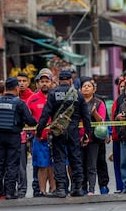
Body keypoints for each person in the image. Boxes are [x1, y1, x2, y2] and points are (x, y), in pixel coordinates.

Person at [36, 70, 92, 198]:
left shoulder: (53, 94)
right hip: (73, 131)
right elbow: (86, 116)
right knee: (75, 159)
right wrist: (87, 134)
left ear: (59, 80)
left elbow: (45, 115)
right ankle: (77, 187)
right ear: (71, 81)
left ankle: (60, 188)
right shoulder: (78, 94)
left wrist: (39, 131)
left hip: (58, 131)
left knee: (59, 159)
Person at [0, 77, 37, 200]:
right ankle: (10, 192)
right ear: (16, 88)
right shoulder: (19, 103)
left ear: (5, 89)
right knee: (12, 165)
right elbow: (30, 121)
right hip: (13, 137)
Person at [27, 71, 56, 197]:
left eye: (47, 81)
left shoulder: (55, 97)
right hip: (39, 138)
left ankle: (54, 189)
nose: (44, 84)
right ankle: (42, 190)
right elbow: (27, 117)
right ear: (38, 83)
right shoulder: (32, 99)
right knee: (41, 165)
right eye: (42, 81)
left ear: (51, 83)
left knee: (53, 165)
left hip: (55, 137)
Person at [79, 77, 107, 195]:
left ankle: (91, 189)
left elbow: (102, 121)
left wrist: (94, 113)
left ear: (93, 89)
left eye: (88, 86)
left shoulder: (99, 103)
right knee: (81, 165)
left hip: (93, 139)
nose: (86, 88)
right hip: (79, 138)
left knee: (92, 165)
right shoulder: (77, 102)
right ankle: (83, 188)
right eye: (84, 86)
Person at [17, 72, 34, 198]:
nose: (21, 83)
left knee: (38, 164)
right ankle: (19, 189)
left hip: (33, 135)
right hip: (16, 137)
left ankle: (38, 188)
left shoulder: (32, 97)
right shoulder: (13, 97)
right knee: (17, 165)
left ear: (28, 83)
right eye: (19, 81)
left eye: (24, 81)